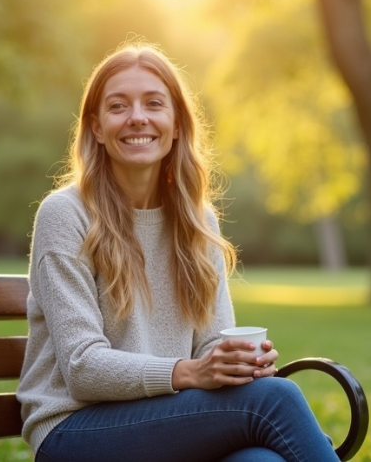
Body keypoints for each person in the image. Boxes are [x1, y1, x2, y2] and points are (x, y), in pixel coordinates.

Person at [17, 42, 339, 462]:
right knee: (274, 399)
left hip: (165, 422)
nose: (137, 117)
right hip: (75, 431)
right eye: (118, 106)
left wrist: (233, 365)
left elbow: (210, 345)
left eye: (153, 103)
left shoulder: (197, 219)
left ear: (175, 125)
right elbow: (82, 368)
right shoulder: (66, 214)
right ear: (96, 128)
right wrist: (190, 372)